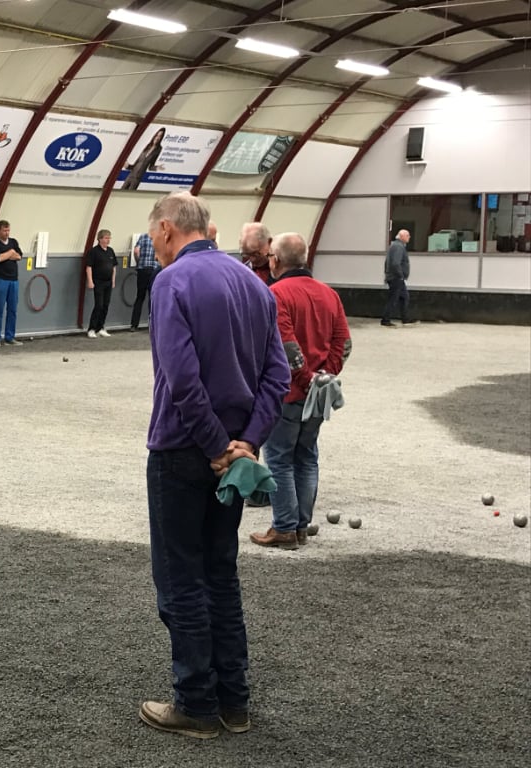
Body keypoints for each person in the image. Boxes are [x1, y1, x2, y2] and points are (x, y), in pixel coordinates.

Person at [139, 191, 290, 740]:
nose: (153, 243)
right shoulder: (255, 284)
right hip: (237, 458)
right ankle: (234, 701)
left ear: (167, 228)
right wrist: (246, 443)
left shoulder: (171, 282)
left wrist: (213, 445)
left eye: (153, 234)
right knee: (221, 574)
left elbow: (180, 378)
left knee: (181, 577)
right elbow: (277, 376)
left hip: (184, 450)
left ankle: (195, 703)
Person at [249, 233, 351, 551]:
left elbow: (286, 343)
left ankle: (283, 528)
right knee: (307, 457)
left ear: (275, 260)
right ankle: (301, 525)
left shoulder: (276, 294)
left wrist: (306, 380)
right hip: (318, 394)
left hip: (288, 392)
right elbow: (343, 343)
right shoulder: (329, 294)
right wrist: (325, 376)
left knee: (279, 458)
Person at [0, 220, 23, 347]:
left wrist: (10, 254)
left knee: (12, 309)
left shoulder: (13, 242)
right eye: (4, 230)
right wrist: (10, 253)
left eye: (8, 230)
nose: (7, 233)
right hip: (0, 279)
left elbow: (19, 256)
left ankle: (10, 336)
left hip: (14, 280)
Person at [86, 229, 117, 338]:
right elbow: (89, 267)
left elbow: (113, 267)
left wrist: (113, 280)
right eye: (106, 238)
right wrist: (90, 281)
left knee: (105, 305)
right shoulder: (94, 252)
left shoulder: (110, 251)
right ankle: (92, 328)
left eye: (109, 238)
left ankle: (100, 327)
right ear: (100, 239)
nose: (108, 240)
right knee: (98, 305)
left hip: (108, 282)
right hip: (98, 282)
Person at [382, 229, 417, 327]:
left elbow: (387, 262)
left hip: (394, 277)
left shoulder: (395, 246)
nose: (409, 237)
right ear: (402, 236)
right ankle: (386, 319)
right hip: (396, 278)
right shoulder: (398, 247)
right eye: (407, 235)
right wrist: (401, 275)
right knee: (394, 299)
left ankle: (405, 318)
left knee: (404, 297)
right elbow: (395, 263)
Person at [130, 231, 158, 332]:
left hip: (142, 270)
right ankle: (152, 325)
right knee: (152, 298)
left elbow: (136, 251)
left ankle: (134, 325)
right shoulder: (161, 237)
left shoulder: (143, 236)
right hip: (154, 270)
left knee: (139, 297)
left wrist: (139, 262)